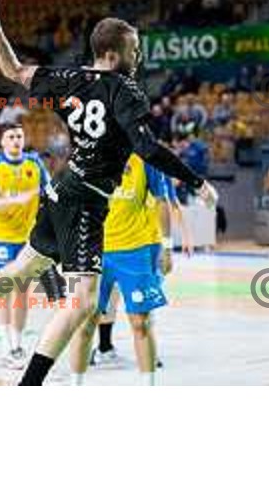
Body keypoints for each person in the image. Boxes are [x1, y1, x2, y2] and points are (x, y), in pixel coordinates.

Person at [0, 0, 216, 386]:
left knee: (23, 268)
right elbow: (148, 147)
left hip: (62, 190)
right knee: (83, 300)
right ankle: (30, 385)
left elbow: (14, 71)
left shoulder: (70, 78)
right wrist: (197, 181)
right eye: (134, 50)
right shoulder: (124, 89)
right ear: (115, 55)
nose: (138, 58)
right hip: (84, 201)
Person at [70, 154, 191, 385]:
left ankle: (148, 383)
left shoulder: (147, 160)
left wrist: (167, 246)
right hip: (95, 250)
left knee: (141, 320)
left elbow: (165, 201)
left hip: (137, 250)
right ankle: (78, 381)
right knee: (85, 323)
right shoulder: (90, 156)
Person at [0, 123, 50, 368]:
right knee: (3, 289)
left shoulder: (35, 164)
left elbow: (50, 194)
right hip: (0, 237)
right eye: (10, 136)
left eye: (19, 135)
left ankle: (17, 345)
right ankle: (5, 346)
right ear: (2, 141)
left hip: (28, 238)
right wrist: (19, 200)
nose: (16, 140)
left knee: (22, 291)